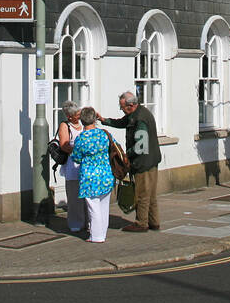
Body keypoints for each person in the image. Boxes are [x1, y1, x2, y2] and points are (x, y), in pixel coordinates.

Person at [102, 91, 161, 232]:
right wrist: (104, 120)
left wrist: (126, 155)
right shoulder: (137, 113)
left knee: (142, 194)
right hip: (151, 159)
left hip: (143, 162)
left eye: (122, 107)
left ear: (131, 105)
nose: (121, 109)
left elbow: (141, 145)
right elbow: (123, 122)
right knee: (150, 194)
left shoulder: (140, 118)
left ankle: (141, 223)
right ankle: (154, 222)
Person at [69, 106, 114, 243]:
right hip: (106, 174)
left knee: (93, 207)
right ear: (95, 119)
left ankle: (97, 236)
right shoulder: (105, 134)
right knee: (103, 206)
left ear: (82, 121)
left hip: (89, 177)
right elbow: (113, 148)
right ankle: (102, 233)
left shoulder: (82, 138)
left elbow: (76, 157)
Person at [57, 100, 85, 233]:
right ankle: (75, 222)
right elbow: (64, 145)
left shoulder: (84, 124)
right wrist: (79, 149)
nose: (79, 116)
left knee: (86, 195)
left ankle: (87, 221)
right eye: (76, 114)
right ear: (69, 116)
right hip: (73, 165)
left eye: (79, 113)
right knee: (74, 197)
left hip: (86, 166)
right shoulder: (65, 126)